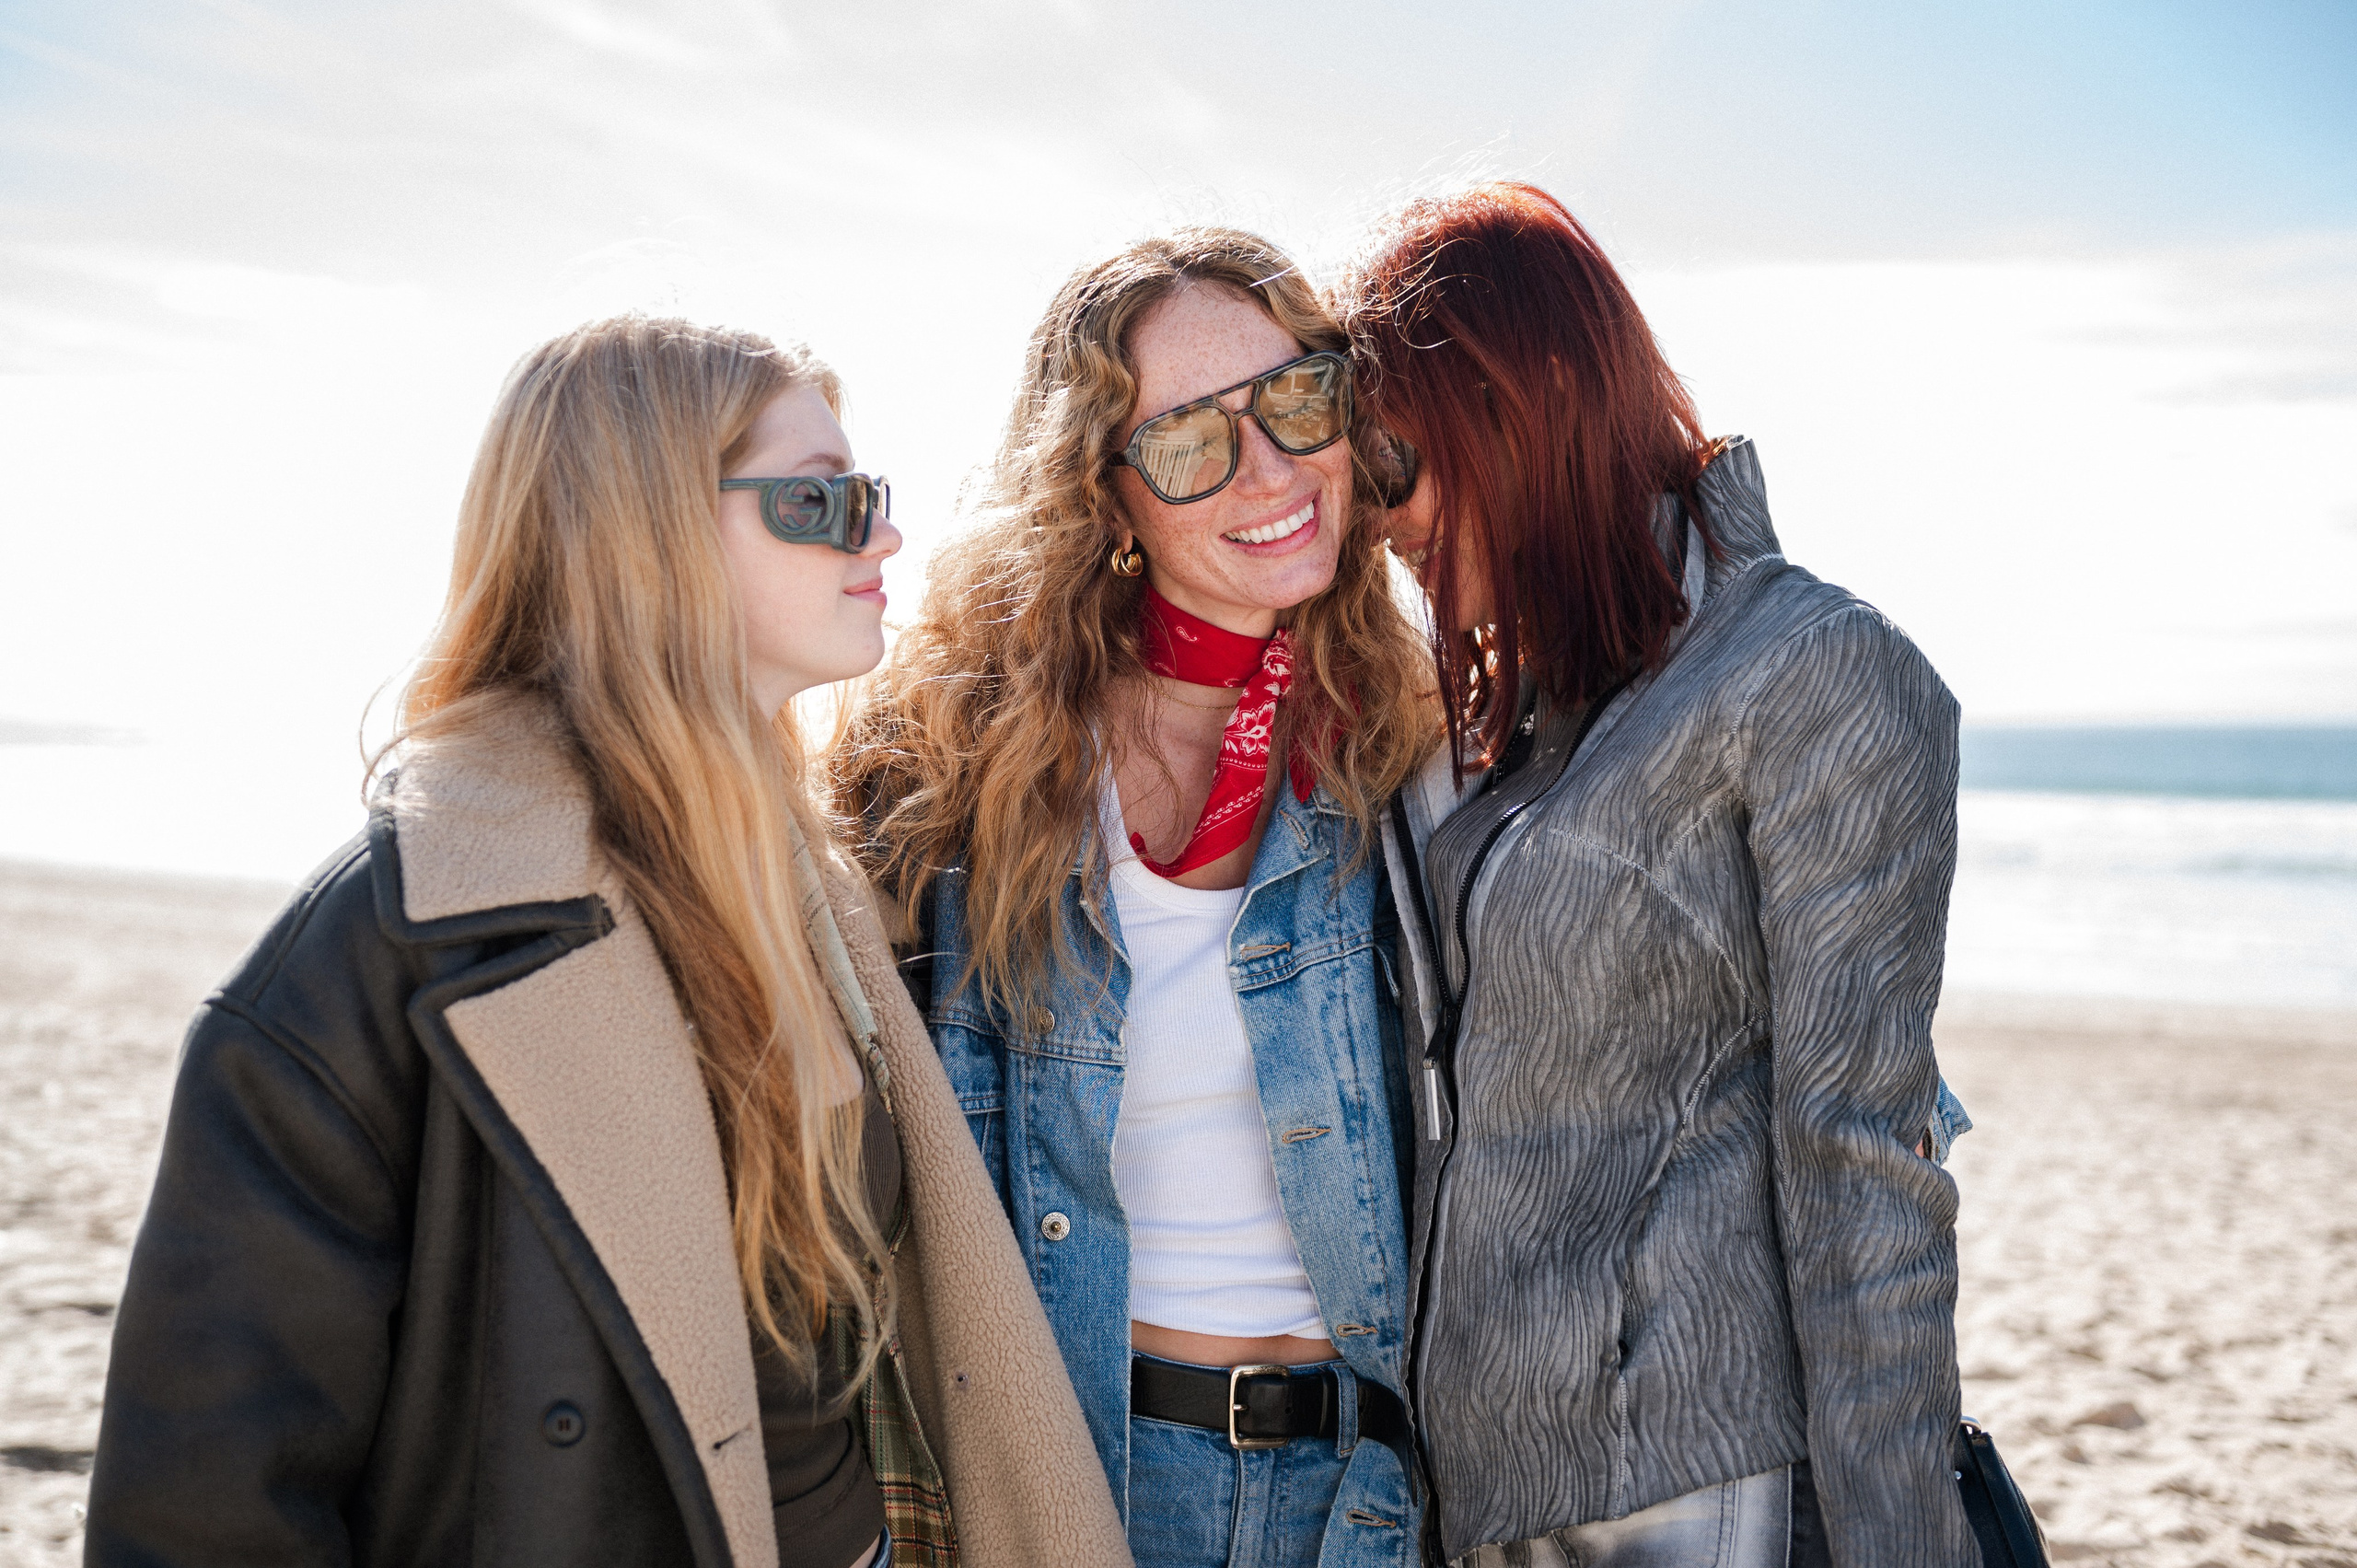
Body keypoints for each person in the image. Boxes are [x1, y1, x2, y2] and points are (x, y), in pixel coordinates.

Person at [85, 316, 1131, 1568]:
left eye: (872, 497)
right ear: (646, 533)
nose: (880, 536)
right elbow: (205, 1511)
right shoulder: (386, 949)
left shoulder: (813, 889)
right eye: (819, 502)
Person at [1339, 183, 1979, 1567]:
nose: (1379, 517)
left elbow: (1863, 1166)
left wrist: (1904, 1543)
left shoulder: (1808, 670)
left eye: (1396, 460)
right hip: (1483, 1496)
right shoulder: (1492, 722)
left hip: (1694, 1490)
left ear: (1530, 400)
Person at [830, 230, 1434, 1568]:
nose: (1268, 470)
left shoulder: (1418, 750)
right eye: (1187, 441)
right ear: (1104, 495)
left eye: (1297, 400)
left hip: (1374, 1500)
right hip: (1090, 1484)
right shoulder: (961, 773)